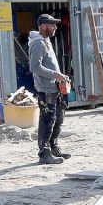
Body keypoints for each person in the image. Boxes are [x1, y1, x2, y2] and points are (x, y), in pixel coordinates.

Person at [28, 14, 71, 164]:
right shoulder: (38, 44)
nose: (55, 27)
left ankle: (53, 148)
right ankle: (44, 153)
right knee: (47, 120)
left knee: (58, 119)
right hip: (46, 89)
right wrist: (56, 74)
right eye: (52, 25)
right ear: (43, 26)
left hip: (54, 87)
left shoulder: (46, 41)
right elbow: (34, 67)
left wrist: (61, 77)